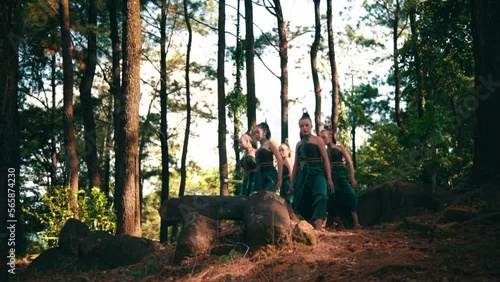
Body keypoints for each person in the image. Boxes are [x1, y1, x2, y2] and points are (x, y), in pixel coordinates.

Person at [289, 109, 334, 230]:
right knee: (301, 198)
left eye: (306, 125)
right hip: (302, 173)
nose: (304, 128)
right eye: (301, 126)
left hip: (317, 171)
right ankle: (309, 222)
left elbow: (326, 160)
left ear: (311, 126)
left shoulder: (318, 140)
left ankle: (318, 225)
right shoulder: (298, 144)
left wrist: (329, 178)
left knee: (321, 194)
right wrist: (292, 183)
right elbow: (295, 165)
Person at [320, 127, 362, 229]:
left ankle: (356, 222)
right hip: (330, 176)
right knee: (329, 198)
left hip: (342, 174)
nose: (322, 139)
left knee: (351, 194)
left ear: (330, 137)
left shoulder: (339, 147)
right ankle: (339, 223)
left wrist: (352, 178)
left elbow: (350, 163)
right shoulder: (323, 151)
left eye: (324, 137)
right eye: (320, 138)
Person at [252, 122, 283, 192]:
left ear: (265, 132)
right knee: (258, 198)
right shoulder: (260, 147)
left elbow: (280, 160)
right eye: (254, 133)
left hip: (269, 175)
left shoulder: (270, 143)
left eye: (257, 132)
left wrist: (279, 179)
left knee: (266, 197)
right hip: (259, 176)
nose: (256, 135)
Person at [239, 131, 258, 196]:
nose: (239, 145)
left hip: (255, 178)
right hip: (246, 178)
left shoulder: (256, 152)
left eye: (241, 142)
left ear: (247, 141)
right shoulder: (244, 154)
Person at [279, 139, 294, 204]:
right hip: (283, 183)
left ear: (288, 151)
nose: (280, 152)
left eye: (282, 150)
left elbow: (291, 172)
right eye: (279, 150)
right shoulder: (281, 161)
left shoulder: (287, 160)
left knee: (288, 201)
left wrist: (291, 185)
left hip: (288, 182)